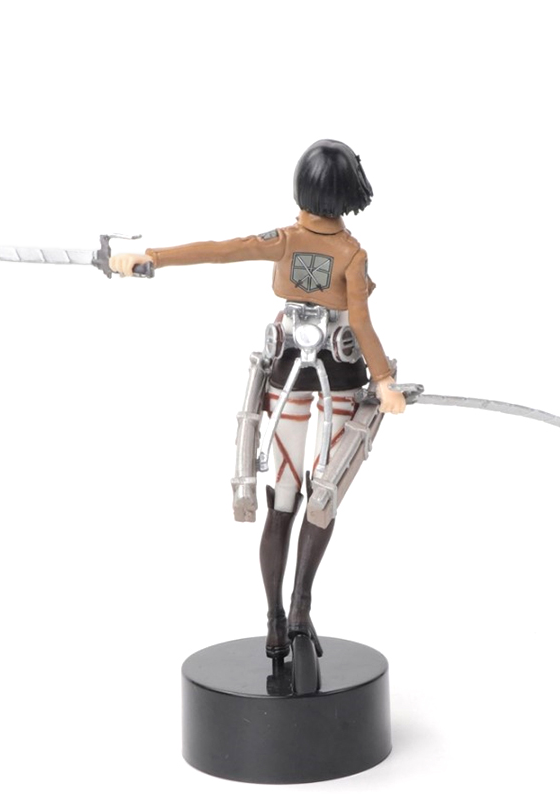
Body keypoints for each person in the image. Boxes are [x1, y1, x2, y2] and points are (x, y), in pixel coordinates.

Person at [111, 139, 405, 660]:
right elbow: (360, 321)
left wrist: (152, 258)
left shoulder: (287, 241)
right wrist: (382, 380)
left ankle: (282, 616)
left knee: (289, 496)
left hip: (293, 370)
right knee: (321, 494)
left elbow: (221, 249)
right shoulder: (351, 254)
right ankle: (294, 610)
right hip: (333, 373)